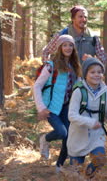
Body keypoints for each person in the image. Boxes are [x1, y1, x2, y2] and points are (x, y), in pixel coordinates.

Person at [33, 34, 82, 173]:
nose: (68, 48)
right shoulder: (51, 65)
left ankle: (59, 167)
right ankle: (45, 138)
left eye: (70, 45)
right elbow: (36, 86)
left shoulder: (75, 66)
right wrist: (41, 108)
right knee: (61, 132)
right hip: (51, 107)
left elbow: (78, 88)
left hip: (67, 107)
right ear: (59, 48)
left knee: (68, 138)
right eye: (64, 45)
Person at [67, 57, 107, 176]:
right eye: (92, 72)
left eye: (99, 72)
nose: (96, 75)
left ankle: (89, 177)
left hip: (97, 135)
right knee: (75, 171)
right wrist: (90, 122)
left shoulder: (105, 92)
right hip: (78, 135)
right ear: (85, 74)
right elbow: (72, 115)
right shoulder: (79, 91)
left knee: (100, 159)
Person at [42, 6, 107, 64]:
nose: (83, 19)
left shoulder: (93, 37)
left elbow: (103, 58)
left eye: (85, 17)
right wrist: (49, 67)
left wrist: (92, 60)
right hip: (66, 76)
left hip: (85, 77)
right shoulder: (62, 35)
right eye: (80, 17)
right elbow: (46, 52)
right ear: (73, 19)